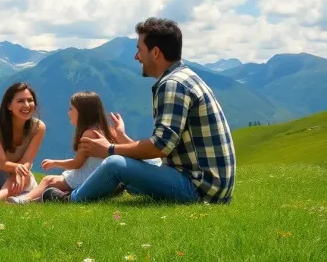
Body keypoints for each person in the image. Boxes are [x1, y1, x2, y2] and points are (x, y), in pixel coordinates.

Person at [43, 17, 236, 204]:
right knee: (132, 172)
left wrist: (108, 149)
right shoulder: (185, 78)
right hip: (211, 185)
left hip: (198, 188)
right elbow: (165, 147)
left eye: (139, 50)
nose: (136, 57)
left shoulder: (172, 85)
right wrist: (121, 137)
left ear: (156, 53)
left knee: (115, 163)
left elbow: (160, 146)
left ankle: (72, 199)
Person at [6, 91, 117, 204]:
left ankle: (23, 200)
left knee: (48, 180)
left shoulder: (88, 134)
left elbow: (76, 163)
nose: (69, 113)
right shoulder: (107, 130)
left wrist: (55, 163)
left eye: (71, 109)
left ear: (82, 112)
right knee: (54, 183)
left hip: (88, 178)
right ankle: (35, 198)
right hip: (98, 176)